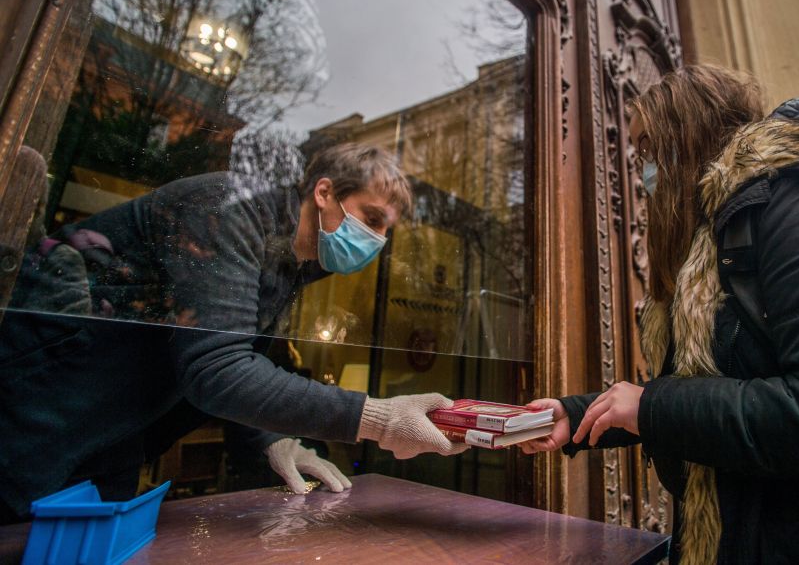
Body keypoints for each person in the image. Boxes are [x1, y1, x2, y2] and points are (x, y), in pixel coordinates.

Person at [521, 65, 799, 563]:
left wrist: (652, 407)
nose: (643, 170)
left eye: (649, 149)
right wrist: (574, 415)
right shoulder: (720, 230)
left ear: (687, 135)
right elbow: (728, 381)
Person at [0, 143, 465, 523]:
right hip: (36, 413)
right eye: (373, 218)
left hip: (108, 441)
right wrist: (378, 419)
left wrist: (271, 439)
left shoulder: (291, 263)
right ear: (324, 192)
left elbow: (229, 353)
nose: (377, 239)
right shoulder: (230, 209)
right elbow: (217, 367)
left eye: (385, 230)